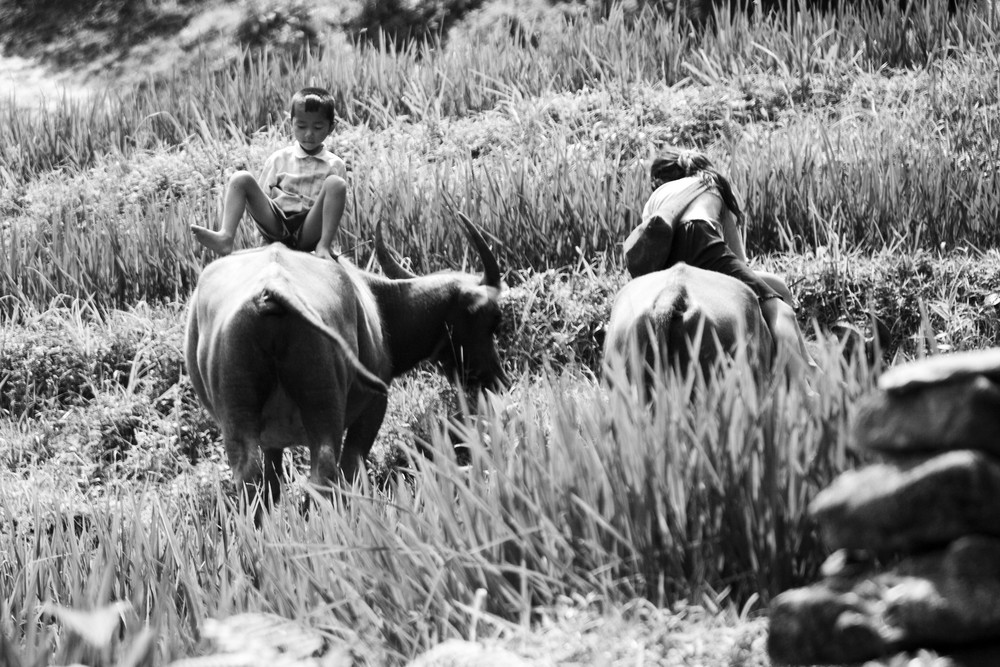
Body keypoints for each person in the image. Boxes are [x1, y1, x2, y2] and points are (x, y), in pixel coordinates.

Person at [625, 147, 815, 374]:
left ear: (659, 179)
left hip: (669, 267)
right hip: (703, 243)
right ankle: (805, 380)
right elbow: (739, 264)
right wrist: (777, 287)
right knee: (779, 310)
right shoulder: (709, 184)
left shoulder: (657, 198)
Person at [190, 86, 347, 260]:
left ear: (331, 127)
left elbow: (335, 209)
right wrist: (263, 236)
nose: (309, 134)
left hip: (308, 229)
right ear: (291, 124)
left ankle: (323, 247)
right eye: (301, 126)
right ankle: (226, 236)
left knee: (336, 184)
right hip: (277, 223)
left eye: (318, 127)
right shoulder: (279, 159)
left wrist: (326, 240)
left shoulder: (335, 164)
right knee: (241, 178)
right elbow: (262, 197)